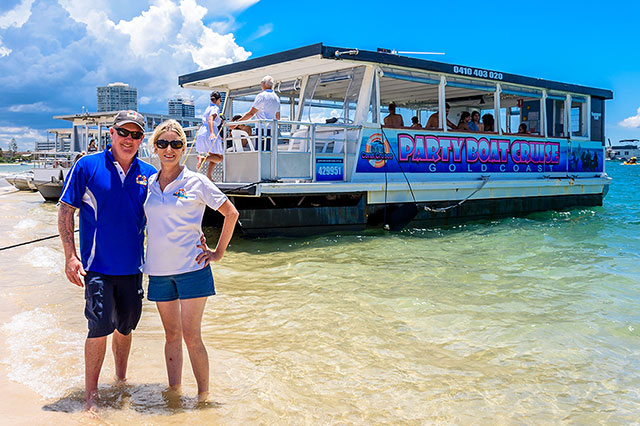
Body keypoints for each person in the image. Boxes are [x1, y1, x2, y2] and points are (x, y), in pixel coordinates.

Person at [57, 110, 156, 409]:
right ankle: (91, 395)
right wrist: (70, 256)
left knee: (125, 327)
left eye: (136, 134)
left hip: (132, 269)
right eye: (123, 133)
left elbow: (167, 217)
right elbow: (65, 211)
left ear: (141, 139)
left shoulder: (150, 174)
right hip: (96, 268)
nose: (129, 139)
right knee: (99, 326)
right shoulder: (87, 166)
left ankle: (121, 381)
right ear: (110, 134)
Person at [143, 120, 239, 402]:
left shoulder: (197, 181)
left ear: (184, 148)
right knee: (171, 336)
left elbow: (231, 214)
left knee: (191, 336)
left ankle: (203, 399)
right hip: (159, 272)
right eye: (162, 143)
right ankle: (173, 394)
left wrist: (218, 253)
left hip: (192, 270)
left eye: (175, 144)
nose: (169, 149)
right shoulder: (147, 183)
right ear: (155, 147)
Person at [238, 75, 281, 151]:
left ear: (263, 84)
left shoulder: (261, 96)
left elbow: (251, 113)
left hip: (262, 129)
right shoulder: (276, 98)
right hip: (272, 130)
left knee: (261, 152)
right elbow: (277, 117)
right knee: (270, 153)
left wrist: (238, 122)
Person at [195, 91, 224, 181]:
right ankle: (202, 158)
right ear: (218, 100)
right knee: (219, 158)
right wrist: (212, 133)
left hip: (202, 131)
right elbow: (210, 119)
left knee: (214, 156)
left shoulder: (208, 108)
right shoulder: (215, 108)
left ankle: (209, 176)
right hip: (209, 132)